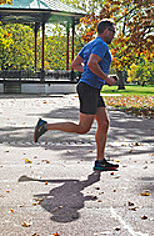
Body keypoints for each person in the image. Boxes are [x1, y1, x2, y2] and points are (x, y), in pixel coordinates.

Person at [34, 19, 119, 171]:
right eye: (113, 32)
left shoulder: (89, 45)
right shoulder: (101, 44)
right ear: (106, 31)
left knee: (104, 123)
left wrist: (95, 73)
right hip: (89, 88)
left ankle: (100, 160)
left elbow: (75, 65)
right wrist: (106, 78)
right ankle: (45, 126)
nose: (114, 35)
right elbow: (92, 64)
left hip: (91, 87)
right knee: (83, 128)